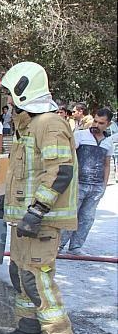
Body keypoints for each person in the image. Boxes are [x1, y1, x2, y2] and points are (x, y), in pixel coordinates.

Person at [0, 62, 77, 334]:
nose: (7, 100)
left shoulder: (49, 124)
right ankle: (28, 329)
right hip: (24, 221)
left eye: (9, 93)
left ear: (24, 92)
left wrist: (37, 211)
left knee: (37, 279)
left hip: (40, 221)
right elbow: (25, 175)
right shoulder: (27, 126)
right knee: (19, 274)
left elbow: (60, 172)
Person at [59, 108, 114, 255]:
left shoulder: (108, 142)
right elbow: (69, 156)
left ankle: (76, 246)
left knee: (87, 218)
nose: (96, 125)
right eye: (95, 121)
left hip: (96, 187)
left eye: (101, 123)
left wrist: (103, 185)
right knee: (71, 215)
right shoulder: (80, 135)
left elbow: (107, 164)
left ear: (108, 124)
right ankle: (59, 245)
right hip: (78, 184)